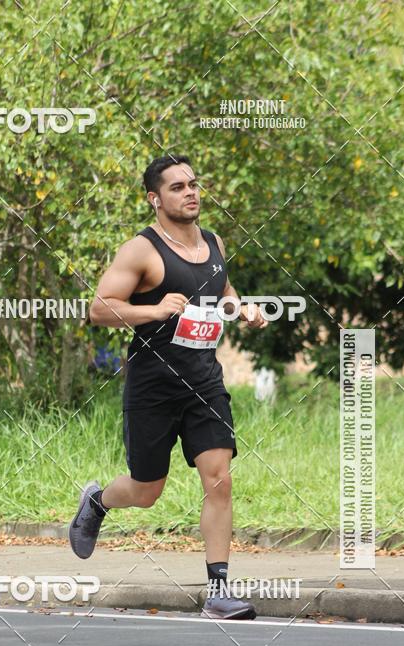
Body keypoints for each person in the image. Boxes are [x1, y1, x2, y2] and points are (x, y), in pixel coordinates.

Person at [69, 155, 266, 619]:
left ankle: (218, 591)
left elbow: (224, 294)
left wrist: (244, 310)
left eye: (194, 184)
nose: (191, 192)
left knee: (219, 479)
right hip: (153, 386)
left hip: (204, 382)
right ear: (155, 199)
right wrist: (153, 310)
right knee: (147, 490)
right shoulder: (141, 250)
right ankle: (97, 501)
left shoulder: (214, 242)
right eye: (177, 187)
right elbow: (99, 309)